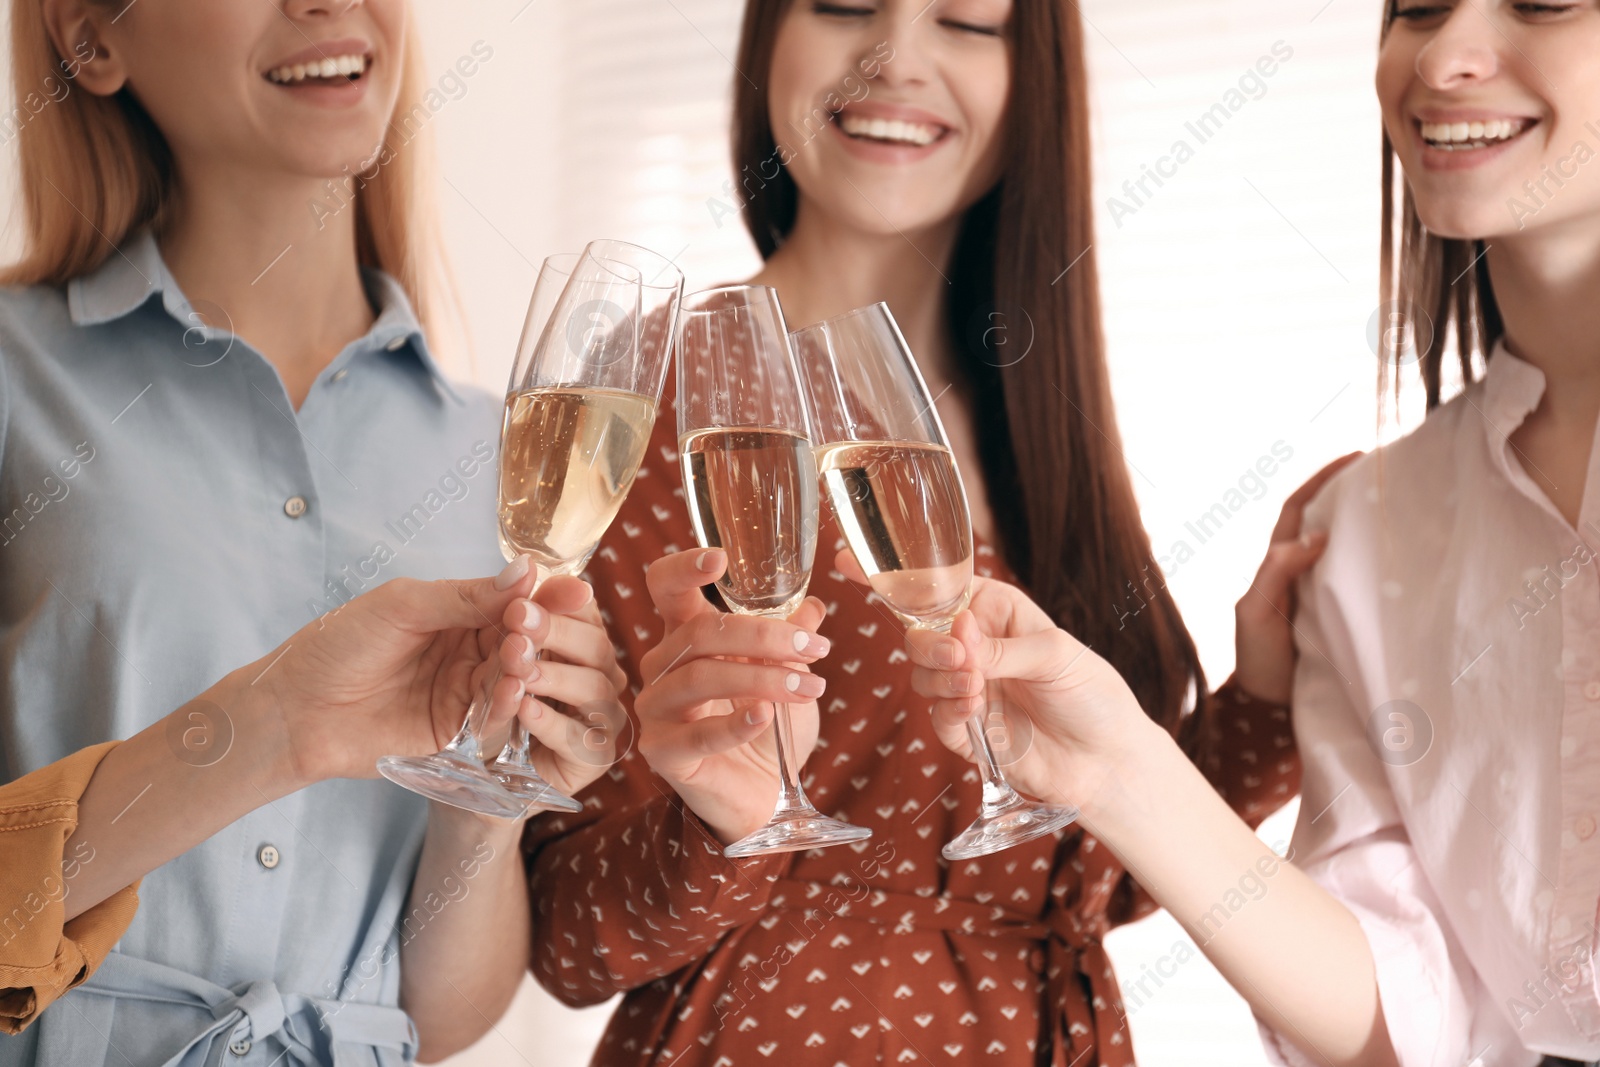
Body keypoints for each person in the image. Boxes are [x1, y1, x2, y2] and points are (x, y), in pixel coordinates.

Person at [523, 1, 1350, 1062]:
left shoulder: (1033, 407)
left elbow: (1081, 868)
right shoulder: (672, 407)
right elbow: (565, 941)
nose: (894, 57)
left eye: (967, 20)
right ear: (766, 37)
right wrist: (724, 828)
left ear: (1035, 80)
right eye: (845, 5)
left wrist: (1266, 701)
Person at [891, 1, 1600, 1064]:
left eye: (1541, 0)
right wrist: (1120, 770)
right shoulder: (1361, 531)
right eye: (1414, 7)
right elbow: (1408, 1015)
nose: (1441, 59)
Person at [0, 0, 625, 1063]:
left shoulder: (503, 452)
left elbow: (438, 1016)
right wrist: (267, 727)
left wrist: (482, 806)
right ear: (91, 38)